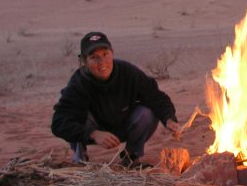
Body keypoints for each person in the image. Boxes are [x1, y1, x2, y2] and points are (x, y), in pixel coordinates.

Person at [51, 31, 180, 167]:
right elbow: (59, 123)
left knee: (148, 112)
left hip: (121, 125)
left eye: (105, 54)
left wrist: (168, 118)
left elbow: (156, 97)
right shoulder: (78, 83)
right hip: (92, 131)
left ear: (112, 52)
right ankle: (80, 160)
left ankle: (131, 158)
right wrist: (93, 133)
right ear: (83, 61)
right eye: (94, 58)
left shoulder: (128, 72)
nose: (101, 63)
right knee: (75, 116)